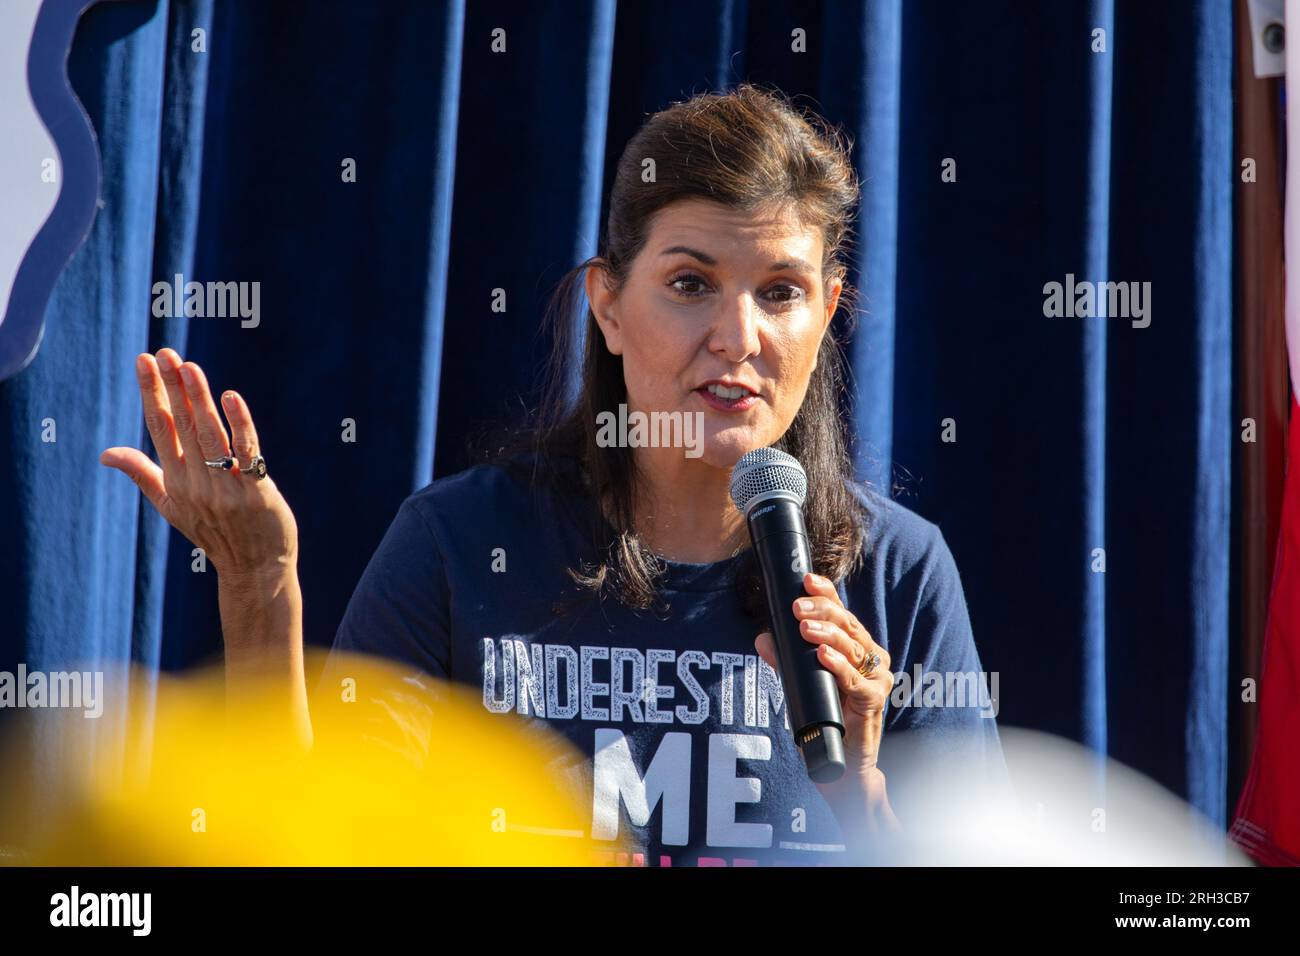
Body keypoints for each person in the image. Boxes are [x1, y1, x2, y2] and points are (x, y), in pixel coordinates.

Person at [101, 83, 1007, 867]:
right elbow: (314, 842)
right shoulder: (461, 542)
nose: (739, 338)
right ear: (607, 305)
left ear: (828, 310)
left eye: (781, 291)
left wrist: (861, 795)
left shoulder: (898, 571)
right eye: (691, 283)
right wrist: (260, 589)